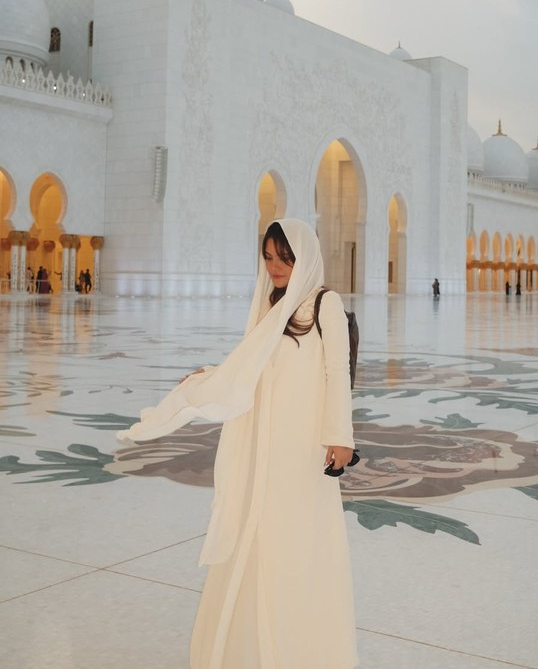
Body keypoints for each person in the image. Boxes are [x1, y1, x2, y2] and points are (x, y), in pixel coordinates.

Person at [117, 218, 358, 668]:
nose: (275, 266)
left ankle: (302, 648)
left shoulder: (325, 303)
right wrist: (209, 378)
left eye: (284, 257)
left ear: (302, 254)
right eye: (268, 257)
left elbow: (336, 373)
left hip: (304, 448)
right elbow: (250, 367)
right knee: (261, 532)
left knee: (299, 540)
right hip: (267, 443)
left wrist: (340, 437)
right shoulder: (270, 305)